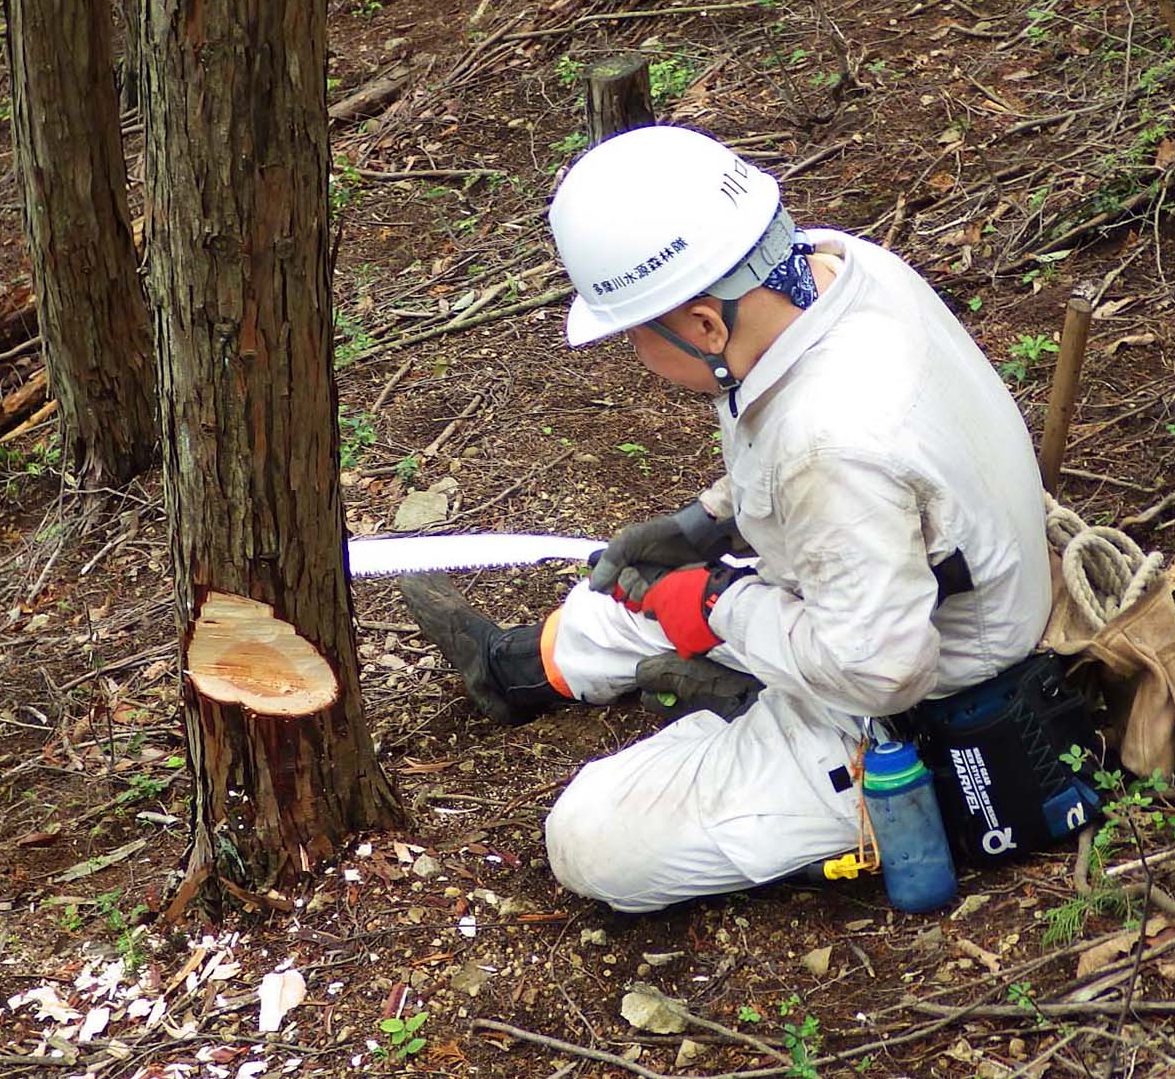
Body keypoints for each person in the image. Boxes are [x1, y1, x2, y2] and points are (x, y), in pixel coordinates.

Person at [399, 126, 1053, 914]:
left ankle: (750, 713)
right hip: (880, 577)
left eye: (638, 336)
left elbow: (884, 672)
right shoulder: (834, 271)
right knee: (634, 592)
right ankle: (513, 667)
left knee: (592, 836)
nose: (639, 358)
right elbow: (832, 469)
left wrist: (718, 607)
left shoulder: (830, 445)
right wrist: (709, 521)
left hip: (924, 694)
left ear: (707, 326)